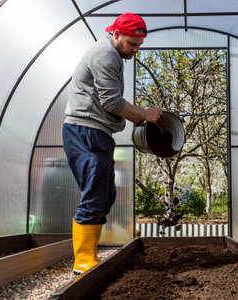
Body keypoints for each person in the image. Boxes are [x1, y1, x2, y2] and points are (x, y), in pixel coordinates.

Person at [62, 13, 162, 274]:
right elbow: (111, 102)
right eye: (132, 44)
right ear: (116, 34)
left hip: (97, 131)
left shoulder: (114, 54)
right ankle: (83, 260)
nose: (136, 50)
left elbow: (110, 102)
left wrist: (134, 117)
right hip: (86, 131)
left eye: (139, 45)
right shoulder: (105, 54)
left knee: (106, 194)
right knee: (95, 193)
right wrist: (143, 113)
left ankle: (89, 256)